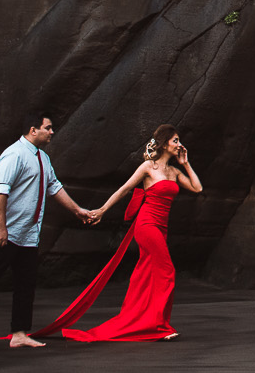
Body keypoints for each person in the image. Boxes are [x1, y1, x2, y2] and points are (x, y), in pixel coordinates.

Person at [0, 113, 100, 350]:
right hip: (3, 234)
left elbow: (54, 187)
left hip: (27, 236)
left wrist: (78, 211)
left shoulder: (42, 158)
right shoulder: (14, 155)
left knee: (26, 284)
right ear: (33, 130)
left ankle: (19, 333)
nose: (52, 132)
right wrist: (1, 229)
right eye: (48, 128)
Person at [35, 123, 202, 342]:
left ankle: (144, 322)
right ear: (164, 143)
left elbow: (197, 188)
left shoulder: (174, 171)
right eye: (175, 140)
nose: (179, 144)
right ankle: (160, 325)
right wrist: (103, 210)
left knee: (146, 276)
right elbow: (124, 189)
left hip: (162, 228)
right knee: (167, 271)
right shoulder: (148, 168)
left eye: (179, 140)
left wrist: (186, 163)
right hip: (147, 224)